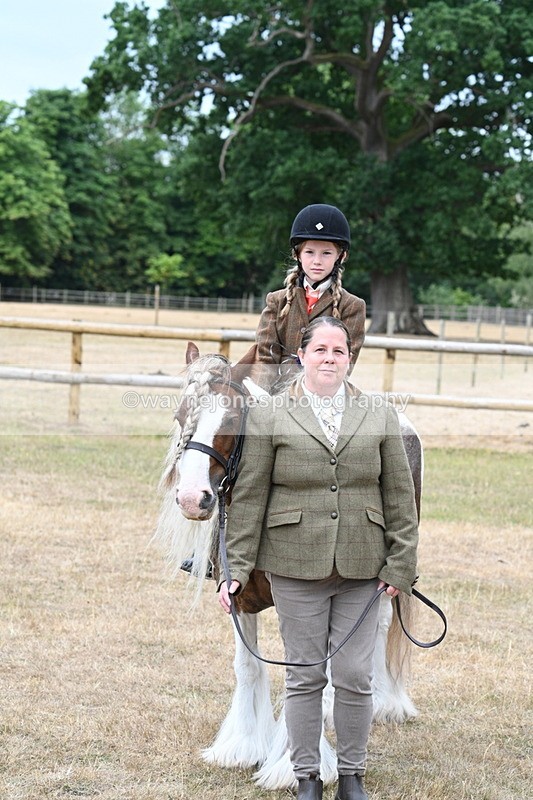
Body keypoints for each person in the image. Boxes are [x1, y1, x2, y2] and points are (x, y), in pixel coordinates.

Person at [219, 316, 419, 800]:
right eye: (321, 350)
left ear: (349, 358)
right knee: (305, 675)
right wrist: (235, 571)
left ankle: (352, 776)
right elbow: (248, 501)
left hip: (362, 568)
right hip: (293, 565)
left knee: (353, 675)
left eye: (339, 351)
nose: (330, 358)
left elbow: (399, 497)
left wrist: (401, 566)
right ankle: (306, 776)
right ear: (303, 356)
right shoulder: (270, 416)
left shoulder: (379, 414)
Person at [255, 203, 366, 379]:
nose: (317, 261)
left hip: (325, 395)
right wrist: (265, 399)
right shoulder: (276, 301)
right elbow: (265, 358)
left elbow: (343, 365)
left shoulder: (352, 306)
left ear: (341, 256)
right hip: (276, 395)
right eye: (309, 252)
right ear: (297, 255)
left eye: (326, 253)